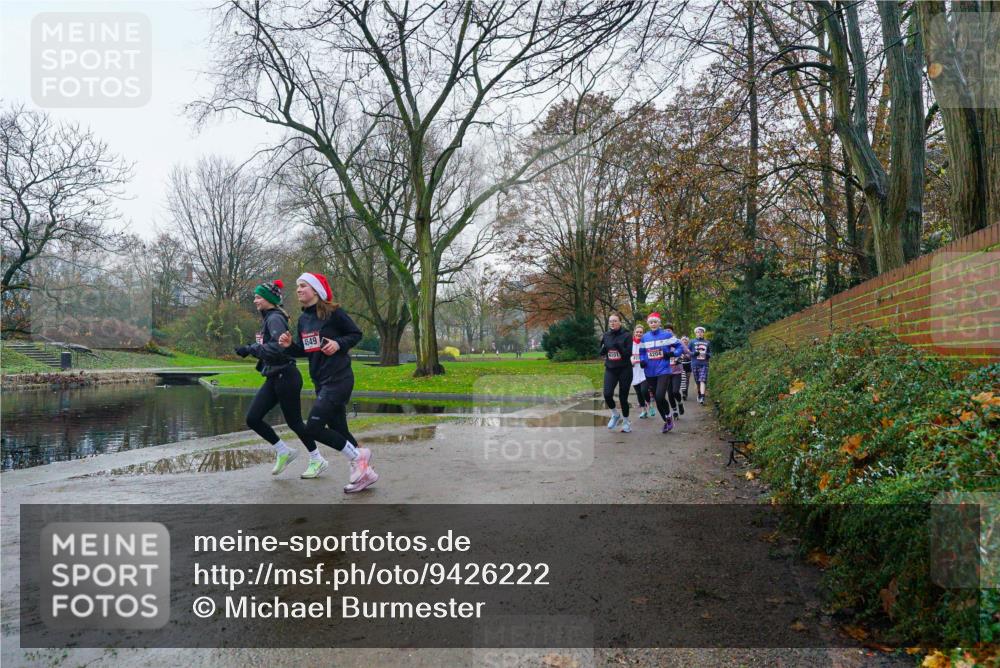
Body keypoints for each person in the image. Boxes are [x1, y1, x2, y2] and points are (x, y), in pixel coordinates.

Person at [278, 272, 377, 492]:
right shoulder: (304, 319)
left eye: (303, 286)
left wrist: (338, 344)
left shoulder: (333, 313)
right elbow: (307, 350)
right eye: (297, 286)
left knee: (312, 427)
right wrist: (290, 346)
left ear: (315, 290)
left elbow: (355, 333)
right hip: (320, 381)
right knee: (339, 429)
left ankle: (359, 456)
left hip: (339, 378)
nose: (298, 290)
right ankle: (365, 474)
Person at [235, 279, 316, 476]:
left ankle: (317, 459)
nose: (255, 301)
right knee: (253, 418)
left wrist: (250, 349)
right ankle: (283, 451)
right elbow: (270, 347)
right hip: (274, 376)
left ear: (269, 299)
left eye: (258, 297)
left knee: (295, 422)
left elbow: (278, 348)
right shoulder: (268, 318)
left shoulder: (275, 319)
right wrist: (252, 349)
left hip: (286, 376)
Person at [638, 313, 684, 433]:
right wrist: (642, 360)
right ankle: (667, 419)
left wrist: (673, 354)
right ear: (648, 324)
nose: (653, 324)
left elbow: (679, 346)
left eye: (655, 322)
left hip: (664, 370)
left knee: (659, 396)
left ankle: (668, 418)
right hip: (649, 372)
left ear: (659, 323)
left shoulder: (667, 335)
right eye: (651, 322)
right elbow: (642, 351)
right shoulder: (645, 337)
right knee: (658, 400)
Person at [600, 314, 633, 433]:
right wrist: (602, 350)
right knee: (607, 394)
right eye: (610, 321)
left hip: (625, 369)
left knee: (623, 398)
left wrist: (619, 347)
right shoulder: (606, 335)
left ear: (620, 322)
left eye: (615, 321)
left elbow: (628, 354)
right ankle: (615, 414)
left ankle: (626, 422)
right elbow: (603, 350)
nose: (612, 323)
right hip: (610, 368)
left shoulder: (627, 335)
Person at [664, 323, 688, 421]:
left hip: (677, 371)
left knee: (675, 391)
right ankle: (674, 411)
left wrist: (682, 357)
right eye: (665, 331)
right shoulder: (662, 343)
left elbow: (687, 352)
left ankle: (680, 403)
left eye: (669, 330)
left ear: (672, 331)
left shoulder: (677, 341)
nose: (667, 332)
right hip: (665, 372)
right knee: (669, 394)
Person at [630, 324, 654, 418]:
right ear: (634, 333)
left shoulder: (646, 343)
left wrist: (645, 361)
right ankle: (644, 411)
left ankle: (650, 405)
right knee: (638, 392)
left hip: (644, 371)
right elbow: (627, 355)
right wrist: (630, 361)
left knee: (644, 390)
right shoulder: (630, 343)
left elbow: (651, 355)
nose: (639, 333)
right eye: (637, 332)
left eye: (641, 332)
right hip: (634, 371)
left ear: (643, 334)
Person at [691, 326, 712, 405]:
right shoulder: (692, 342)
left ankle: (703, 396)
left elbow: (710, 353)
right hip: (695, 364)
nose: (699, 333)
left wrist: (707, 355)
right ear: (695, 333)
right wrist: (694, 353)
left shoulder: (707, 342)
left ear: (703, 333)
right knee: (697, 381)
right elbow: (688, 352)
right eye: (698, 332)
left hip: (704, 364)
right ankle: (699, 393)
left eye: (701, 332)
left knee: (702, 379)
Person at [679, 336, 693, 401]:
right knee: (683, 379)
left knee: (687, 380)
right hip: (682, 365)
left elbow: (691, 355)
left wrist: (688, 356)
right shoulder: (679, 347)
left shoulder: (689, 348)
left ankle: (686, 393)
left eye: (686, 340)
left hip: (689, 365)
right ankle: (684, 393)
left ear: (688, 341)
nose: (684, 341)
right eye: (683, 340)